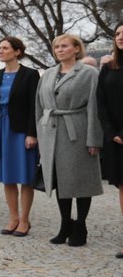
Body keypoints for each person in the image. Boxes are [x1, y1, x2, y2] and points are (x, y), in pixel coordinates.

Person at [36, 34, 102, 246]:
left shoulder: (89, 73)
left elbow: (95, 107)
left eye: (64, 46)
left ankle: (80, 225)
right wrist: (40, 133)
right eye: (57, 47)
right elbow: (39, 106)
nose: (59, 50)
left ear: (76, 49)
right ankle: (65, 224)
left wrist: (94, 139)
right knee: (60, 181)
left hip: (77, 132)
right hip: (51, 134)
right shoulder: (47, 74)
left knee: (81, 181)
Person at [0, 37, 40, 237]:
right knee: (7, 176)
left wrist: (32, 133)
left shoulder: (30, 75)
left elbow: (35, 105)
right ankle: (13, 217)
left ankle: (25, 220)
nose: (1, 51)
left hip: (21, 130)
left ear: (17, 51)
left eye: (5, 48)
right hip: (0, 128)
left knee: (25, 176)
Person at [97, 22, 123, 258]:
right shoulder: (109, 67)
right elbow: (101, 102)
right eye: (117, 34)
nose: (120, 37)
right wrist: (110, 131)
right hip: (116, 139)